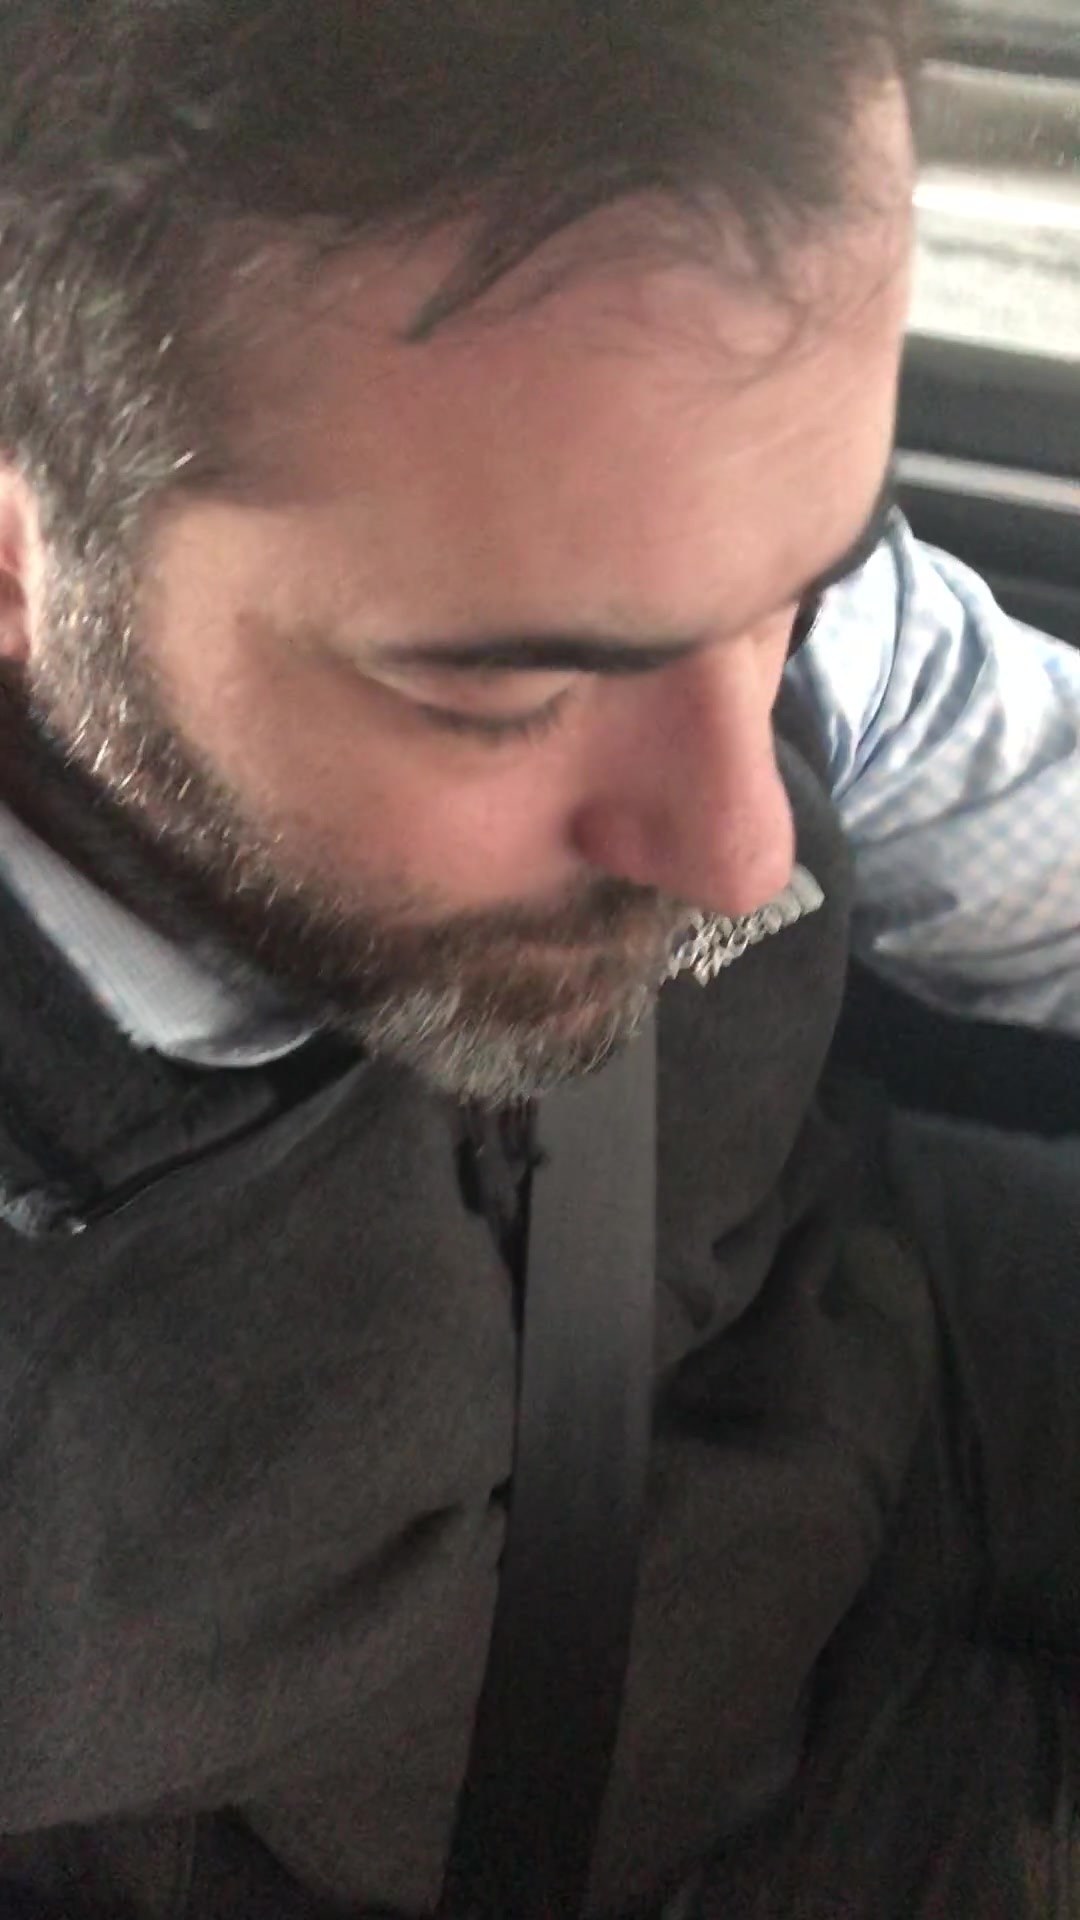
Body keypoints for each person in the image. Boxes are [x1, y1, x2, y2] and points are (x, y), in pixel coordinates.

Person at [0, 3, 1078, 1916]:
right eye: (506, 693)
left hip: (898, 1355)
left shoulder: (639, 505)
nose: (748, 844)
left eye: (801, 589)